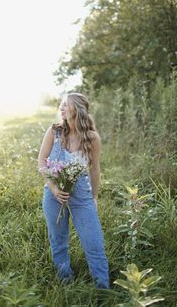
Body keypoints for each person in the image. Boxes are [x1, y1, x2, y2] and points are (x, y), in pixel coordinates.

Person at [38, 92, 109, 289]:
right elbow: (41, 161)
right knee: (58, 240)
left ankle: (103, 289)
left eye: (65, 105)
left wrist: (94, 196)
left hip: (81, 195)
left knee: (94, 244)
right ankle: (65, 281)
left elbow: (95, 169)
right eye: (60, 104)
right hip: (53, 196)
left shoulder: (92, 138)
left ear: (77, 109)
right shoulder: (54, 131)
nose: (61, 108)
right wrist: (53, 187)